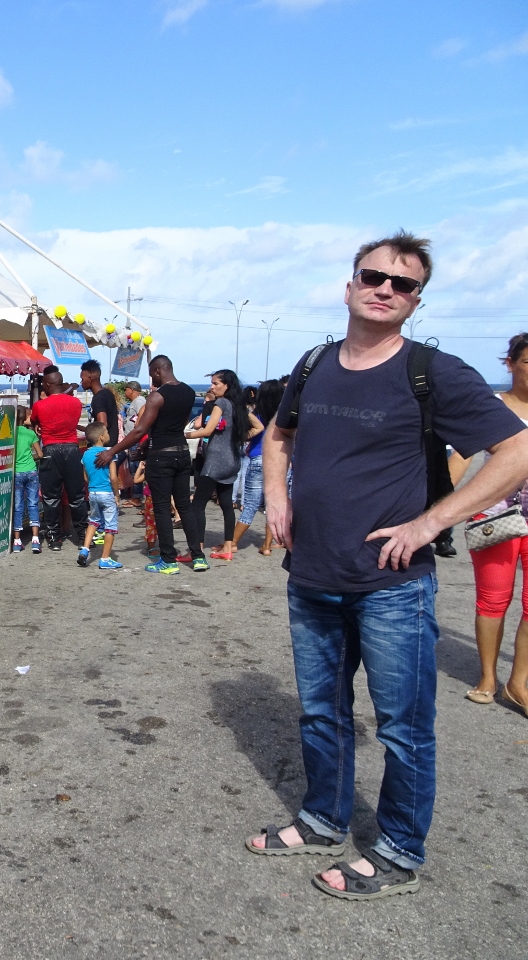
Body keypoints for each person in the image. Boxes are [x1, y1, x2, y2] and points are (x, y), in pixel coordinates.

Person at [248, 231, 528, 900]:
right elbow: (280, 434)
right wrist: (276, 498)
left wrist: (431, 522)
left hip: (392, 586)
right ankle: (323, 819)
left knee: (403, 729)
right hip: (311, 575)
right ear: (350, 286)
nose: (385, 289)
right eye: (374, 277)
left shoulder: (434, 372)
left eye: (403, 284)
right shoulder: (314, 363)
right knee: (321, 712)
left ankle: (399, 850)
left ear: (415, 302)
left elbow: (517, 450)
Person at [446, 332, 528, 711]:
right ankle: (488, 677)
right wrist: (434, 506)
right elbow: (462, 456)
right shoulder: (493, 407)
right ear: (509, 364)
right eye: (527, 362)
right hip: (497, 516)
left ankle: (518, 682)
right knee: (493, 599)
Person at [95, 356, 197, 574]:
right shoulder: (189, 392)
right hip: (182, 452)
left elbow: (140, 429)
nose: (152, 381)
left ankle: (168, 560)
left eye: (152, 375)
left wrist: (112, 451)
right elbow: (174, 425)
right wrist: (146, 444)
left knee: (161, 508)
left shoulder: (157, 396)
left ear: (158, 370)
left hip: (161, 456)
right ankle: (198, 557)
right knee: (184, 506)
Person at [185, 369, 257, 562]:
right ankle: (227, 547)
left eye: (216, 383)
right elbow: (259, 427)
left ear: (227, 385)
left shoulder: (221, 403)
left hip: (216, 461)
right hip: (232, 460)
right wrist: (238, 437)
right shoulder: (237, 405)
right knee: (226, 504)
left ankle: (197, 549)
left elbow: (206, 431)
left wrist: (183, 435)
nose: (212, 387)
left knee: (197, 505)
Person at [29, 370, 86, 550]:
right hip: (72, 449)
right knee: (76, 496)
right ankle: (83, 536)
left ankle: (54, 537)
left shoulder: (40, 405)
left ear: (47, 385)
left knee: (51, 497)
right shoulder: (76, 403)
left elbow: (34, 421)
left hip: (50, 449)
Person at [232, 379, 284, 556]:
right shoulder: (284, 416)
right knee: (272, 505)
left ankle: (233, 543)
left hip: (258, 459)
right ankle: (267, 546)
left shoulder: (257, 414)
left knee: (250, 505)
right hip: (280, 462)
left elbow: (247, 434)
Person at [79, 421, 122, 569]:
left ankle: (85, 549)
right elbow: (114, 478)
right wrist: (116, 494)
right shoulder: (109, 453)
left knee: (93, 521)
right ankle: (105, 558)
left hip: (93, 492)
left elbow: (85, 477)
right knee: (110, 526)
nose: (109, 434)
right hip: (107, 493)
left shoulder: (86, 454)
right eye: (107, 432)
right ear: (101, 437)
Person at [12, 406, 42, 554]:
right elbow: (40, 454)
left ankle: (17, 542)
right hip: (31, 471)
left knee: (18, 506)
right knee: (33, 504)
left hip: (16, 472)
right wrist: (31, 456)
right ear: (25, 418)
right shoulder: (30, 433)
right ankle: (35, 540)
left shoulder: (10, 434)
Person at [80, 359, 119, 447]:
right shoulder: (107, 393)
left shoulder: (98, 398)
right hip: (112, 445)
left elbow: (102, 425)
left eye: (82, 379)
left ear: (90, 378)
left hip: (102, 449)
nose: (81, 382)